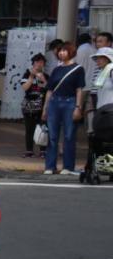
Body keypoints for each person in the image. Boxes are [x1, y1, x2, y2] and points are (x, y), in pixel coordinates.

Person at [41, 41, 86, 176]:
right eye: (60, 51)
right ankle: (50, 166)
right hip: (54, 102)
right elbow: (49, 90)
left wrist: (78, 107)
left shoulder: (78, 69)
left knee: (69, 135)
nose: (61, 53)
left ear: (71, 52)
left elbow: (79, 90)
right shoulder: (56, 69)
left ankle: (68, 167)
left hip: (70, 102)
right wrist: (45, 108)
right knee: (52, 136)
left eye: (64, 50)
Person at [83, 46, 113, 183]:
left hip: (110, 112)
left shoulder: (111, 71)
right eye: (97, 58)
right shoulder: (101, 72)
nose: (97, 61)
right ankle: (106, 168)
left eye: (100, 58)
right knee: (100, 143)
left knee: (104, 142)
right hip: (102, 112)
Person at [20, 54, 48, 158]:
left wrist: (44, 79)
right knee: (29, 128)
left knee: (43, 128)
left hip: (42, 105)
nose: (39, 64)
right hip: (29, 106)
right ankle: (29, 150)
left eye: (41, 62)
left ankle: (43, 151)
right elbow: (25, 88)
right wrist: (32, 76)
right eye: (37, 62)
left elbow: (49, 89)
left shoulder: (46, 75)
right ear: (33, 63)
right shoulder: (27, 74)